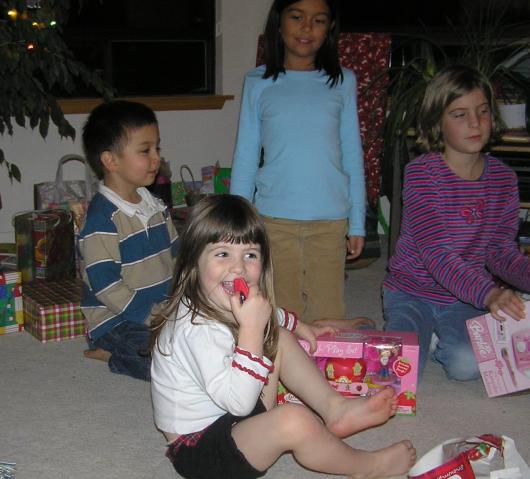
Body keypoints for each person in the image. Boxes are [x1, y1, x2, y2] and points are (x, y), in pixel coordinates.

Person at [150, 195, 416, 479]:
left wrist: (299, 325)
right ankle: (366, 467)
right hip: (203, 452)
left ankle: (335, 407)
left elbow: (269, 314)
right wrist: (251, 330)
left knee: (280, 337)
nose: (238, 267)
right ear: (193, 263)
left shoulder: (218, 296)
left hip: (235, 413)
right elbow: (237, 403)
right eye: (222, 254)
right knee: (294, 420)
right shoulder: (195, 330)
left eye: (249, 255)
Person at [382, 65, 530, 381]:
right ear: (437, 124)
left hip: (464, 296)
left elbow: (501, 253)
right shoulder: (422, 174)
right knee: (399, 373)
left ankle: (438, 340)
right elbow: (436, 254)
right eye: (459, 115)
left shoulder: (503, 179)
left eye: (483, 111)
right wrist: (489, 295)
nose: (474, 123)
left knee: (468, 366)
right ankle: (420, 335)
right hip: (411, 292)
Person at [230, 0, 366, 324]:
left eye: (318, 20)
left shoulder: (343, 81)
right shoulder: (257, 83)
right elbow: (246, 155)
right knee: (282, 316)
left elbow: (352, 154)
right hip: (274, 219)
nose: (307, 28)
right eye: (297, 17)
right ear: (279, 23)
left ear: (329, 29)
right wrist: (235, 219)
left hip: (330, 221)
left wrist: (357, 221)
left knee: (328, 316)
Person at [79, 100, 179, 381]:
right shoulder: (102, 221)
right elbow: (106, 286)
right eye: (145, 150)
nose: (156, 157)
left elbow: (177, 257)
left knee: (204, 342)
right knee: (169, 365)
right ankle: (113, 356)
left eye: (157, 147)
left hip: (161, 313)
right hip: (117, 321)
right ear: (110, 161)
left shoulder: (156, 206)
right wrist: (152, 317)